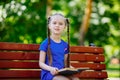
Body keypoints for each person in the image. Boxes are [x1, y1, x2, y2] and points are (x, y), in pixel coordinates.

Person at [39, 13, 79, 80]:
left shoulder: (65, 45)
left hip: (61, 73)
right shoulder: (45, 43)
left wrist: (73, 69)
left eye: (60, 24)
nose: (57, 25)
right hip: (49, 74)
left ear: (64, 27)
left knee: (76, 79)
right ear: (49, 26)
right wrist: (51, 69)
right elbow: (41, 63)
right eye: (54, 23)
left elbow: (66, 65)